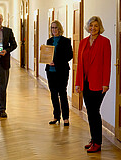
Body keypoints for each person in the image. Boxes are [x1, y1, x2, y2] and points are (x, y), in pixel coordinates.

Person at [75, 16, 111, 153]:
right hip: (85, 82)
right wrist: (78, 83)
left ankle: (97, 142)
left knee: (94, 112)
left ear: (99, 27)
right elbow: (80, 65)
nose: (93, 28)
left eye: (96, 26)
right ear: (88, 27)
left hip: (99, 83)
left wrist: (105, 83)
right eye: (91, 25)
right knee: (90, 112)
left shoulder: (105, 42)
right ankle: (93, 139)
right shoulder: (83, 42)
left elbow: (107, 64)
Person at [45, 20, 73, 126]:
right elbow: (47, 54)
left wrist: (56, 62)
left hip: (62, 71)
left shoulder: (66, 41)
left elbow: (69, 55)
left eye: (56, 27)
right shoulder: (49, 41)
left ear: (59, 29)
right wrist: (45, 55)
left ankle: (66, 117)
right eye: (52, 28)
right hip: (50, 71)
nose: (54, 30)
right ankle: (56, 116)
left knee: (62, 93)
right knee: (53, 94)